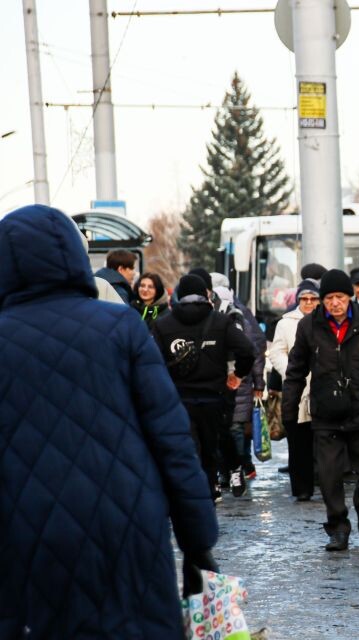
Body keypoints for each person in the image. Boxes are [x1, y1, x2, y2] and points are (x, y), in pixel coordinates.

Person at [0, 205, 218, 638]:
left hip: (24, 535)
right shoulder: (121, 326)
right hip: (128, 523)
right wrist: (198, 541)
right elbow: (170, 438)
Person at [282, 269, 359, 551]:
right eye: (329, 298)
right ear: (322, 300)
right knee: (329, 475)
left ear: (349, 297)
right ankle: (337, 526)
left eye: (340, 297)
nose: (335, 303)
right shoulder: (309, 326)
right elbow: (295, 371)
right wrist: (289, 409)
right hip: (326, 411)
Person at [152, 273, 256, 501]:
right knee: (212, 446)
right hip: (214, 396)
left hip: (179, 398)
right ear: (206, 294)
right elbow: (247, 350)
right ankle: (211, 489)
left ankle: (195, 492)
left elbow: (153, 363)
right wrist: (238, 374)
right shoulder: (220, 321)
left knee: (189, 448)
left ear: (179, 295)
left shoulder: (163, 324)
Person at [270, 279, 321, 501]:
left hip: (322, 385)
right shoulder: (286, 323)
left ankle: (324, 480)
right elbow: (277, 351)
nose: (308, 302)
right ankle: (301, 487)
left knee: (323, 438)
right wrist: (291, 371)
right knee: (298, 440)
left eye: (313, 298)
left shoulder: (326, 321)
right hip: (296, 387)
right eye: (304, 299)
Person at [215, 283, 267, 481]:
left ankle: (237, 468)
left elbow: (254, 351)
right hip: (230, 382)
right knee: (230, 429)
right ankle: (237, 467)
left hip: (239, 382)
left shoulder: (240, 318)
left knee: (235, 428)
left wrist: (258, 383)